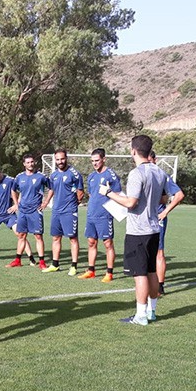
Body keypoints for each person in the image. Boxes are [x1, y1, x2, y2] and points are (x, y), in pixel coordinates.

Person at [100, 135, 169, 326]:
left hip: (138, 231)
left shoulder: (136, 173)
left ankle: (140, 315)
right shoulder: (159, 172)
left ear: (133, 151)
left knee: (140, 274)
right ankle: (152, 311)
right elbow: (165, 198)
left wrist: (109, 193)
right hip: (154, 229)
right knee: (151, 271)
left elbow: (131, 202)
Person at [78, 148, 121, 283]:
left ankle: (109, 273)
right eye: (92, 161)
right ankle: (91, 270)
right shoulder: (91, 176)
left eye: (97, 160)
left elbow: (118, 194)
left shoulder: (111, 175)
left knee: (107, 243)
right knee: (91, 242)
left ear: (104, 159)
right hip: (91, 214)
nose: (95, 163)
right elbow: (91, 194)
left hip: (105, 215)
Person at [0, 165, 35, 265]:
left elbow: (23, 191)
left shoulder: (10, 180)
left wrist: (16, 204)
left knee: (20, 235)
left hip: (9, 214)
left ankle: (31, 259)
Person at [42, 149, 84, 275]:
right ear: (55, 160)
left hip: (69, 211)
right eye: (58, 159)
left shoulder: (74, 174)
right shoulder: (54, 175)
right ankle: (55, 264)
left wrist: (73, 205)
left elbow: (80, 192)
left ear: (66, 158)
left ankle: (74, 266)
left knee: (72, 238)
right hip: (56, 211)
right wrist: (46, 201)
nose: (60, 161)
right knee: (56, 238)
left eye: (62, 159)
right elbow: (52, 189)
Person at [149, 151, 185, 295]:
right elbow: (163, 198)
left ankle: (160, 286)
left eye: (150, 160)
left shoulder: (162, 175)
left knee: (159, 252)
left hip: (157, 219)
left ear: (155, 160)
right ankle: (148, 283)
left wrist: (164, 212)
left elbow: (179, 195)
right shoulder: (140, 174)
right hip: (143, 219)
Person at [9, 154, 50, 270]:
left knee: (38, 236)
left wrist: (46, 202)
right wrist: (16, 204)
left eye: (32, 162)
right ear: (24, 164)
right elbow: (13, 190)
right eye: (28, 162)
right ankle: (17, 260)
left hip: (35, 211)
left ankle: (42, 262)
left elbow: (51, 188)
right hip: (23, 211)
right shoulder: (19, 177)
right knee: (21, 235)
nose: (30, 164)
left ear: (35, 162)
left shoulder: (41, 176)